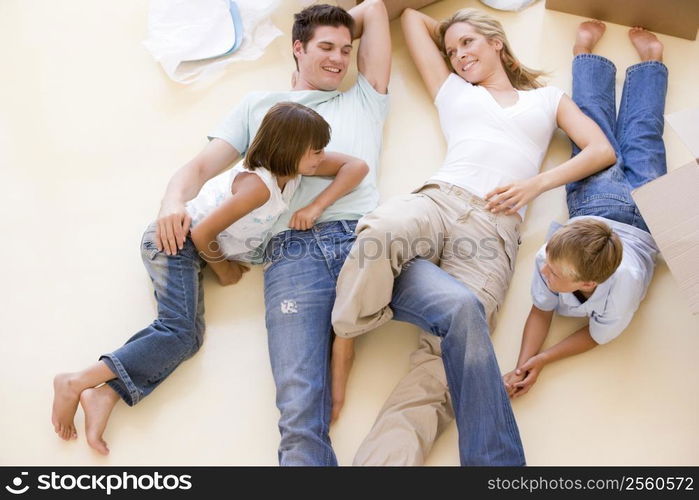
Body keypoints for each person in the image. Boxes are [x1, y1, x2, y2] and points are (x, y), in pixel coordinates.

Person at [330, 7, 617, 465]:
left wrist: (535, 185)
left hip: (495, 230)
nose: (459, 55)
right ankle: (346, 334)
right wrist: (454, 28)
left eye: (469, 44)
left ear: (496, 42)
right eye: (451, 50)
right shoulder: (453, 91)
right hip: (439, 202)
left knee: (443, 371)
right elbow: (409, 20)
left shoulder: (546, 99)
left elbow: (601, 149)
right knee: (381, 229)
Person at [50, 101, 369, 454]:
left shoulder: (292, 170)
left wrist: (316, 206)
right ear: (291, 151)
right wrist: (225, 269)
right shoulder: (257, 187)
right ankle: (76, 380)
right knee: (179, 331)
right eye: (316, 152)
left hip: (189, 252)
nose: (322, 158)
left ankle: (108, 393)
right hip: (175, 243)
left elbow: (356, 166)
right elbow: (202, 234)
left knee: (189, 338)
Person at [503, 21, 666, 398]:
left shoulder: (619, 290)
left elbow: (595, 336)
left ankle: (587, 55)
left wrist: (540, 361)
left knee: (595, 123)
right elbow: (541, 310)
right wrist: (527, 359)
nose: (542, 268)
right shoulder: (553, 254)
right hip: (641, 210)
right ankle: (649, 62)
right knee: (641, 131)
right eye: (549, 264)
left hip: (598, 203)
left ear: (588, 284)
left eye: (553, 272)